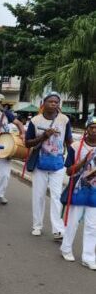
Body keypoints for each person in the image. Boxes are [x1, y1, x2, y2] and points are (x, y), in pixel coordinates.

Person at [25, 92, 73, 240]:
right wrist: (44, 136)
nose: (53, 104)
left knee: (56, 196)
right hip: (39, 164)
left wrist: (72, 161)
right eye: (50, 101)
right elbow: (27, 143)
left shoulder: (64, 120)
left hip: (57, 164)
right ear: (43, 103)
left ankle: (58, 229)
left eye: (56, 102)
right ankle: (37, 226)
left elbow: (69, 141)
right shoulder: (35, 121)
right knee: (38, 196)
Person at [60, 117, 96, 269]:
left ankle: (88, 257)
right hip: (78, 190)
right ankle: (66, 248)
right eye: (92, 127)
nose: (94, 130)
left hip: (94, 192)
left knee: (92, 225)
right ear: (86, 129)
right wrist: (84, 160)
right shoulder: (75, 146)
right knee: (73, 222)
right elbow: (69, 171)